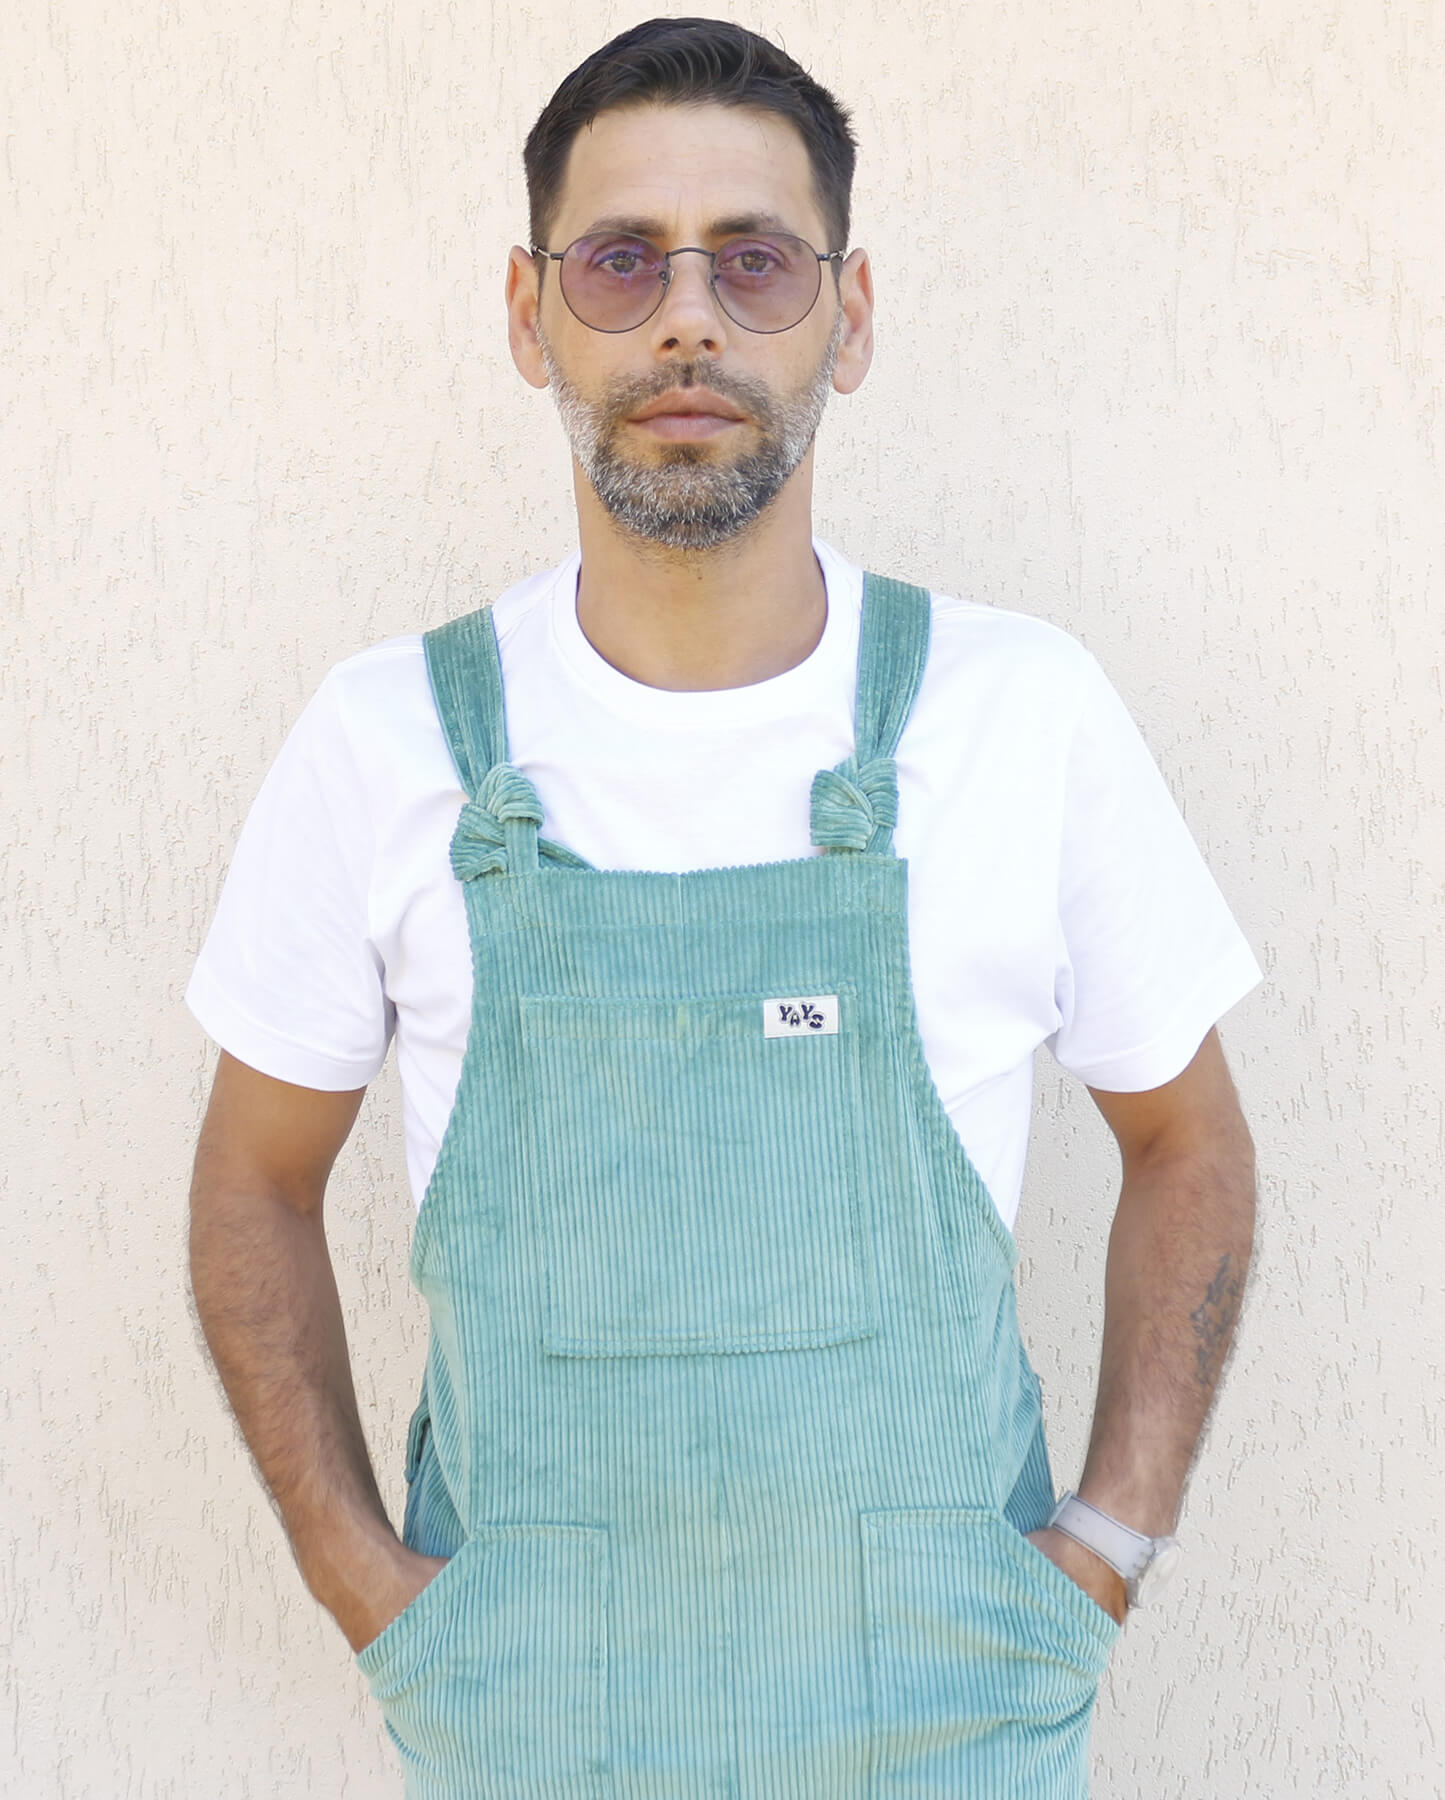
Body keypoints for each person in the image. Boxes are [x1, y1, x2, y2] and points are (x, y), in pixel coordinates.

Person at [187, 18, 1260, 1797]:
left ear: (848, 316)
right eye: (621, 261)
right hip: (528, 1721)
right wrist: (365, 1585)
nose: (687, 317)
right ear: (530, 314)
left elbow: (1190, 1144)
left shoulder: (1018, 714)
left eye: (753, 261)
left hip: (952, 1718)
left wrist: (1104, 1552)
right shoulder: (389, 743)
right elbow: (251, 1183)